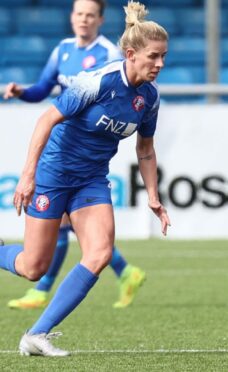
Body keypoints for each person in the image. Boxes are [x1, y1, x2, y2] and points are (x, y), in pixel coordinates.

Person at [0, 1, 170, 357]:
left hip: (92, 180)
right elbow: (46, 119)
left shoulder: (149, 99)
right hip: (54, 174)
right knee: (33, 267)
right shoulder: (98, 81)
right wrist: (27, 175)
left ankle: (37, 334)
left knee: (99, 253)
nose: (160, 65)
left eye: (163, 57)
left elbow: (146, 149)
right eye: (154, 56)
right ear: (131, 54)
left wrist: (153, 196)